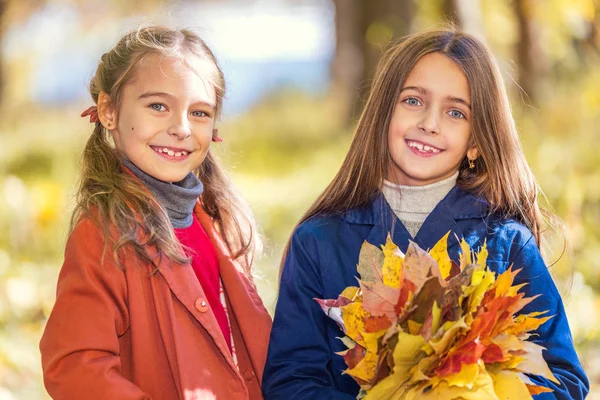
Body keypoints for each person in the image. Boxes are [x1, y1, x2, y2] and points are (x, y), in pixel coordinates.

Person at [262, 27, 589, 400]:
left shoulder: (506, 242)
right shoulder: (319, 242)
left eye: (455, 112)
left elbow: (564, 380)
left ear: (477, 142)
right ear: (384, 111)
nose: (429, 124)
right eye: (413, 101)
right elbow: (289, 383)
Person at [40, 25, 271, 400]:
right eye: (158, 106)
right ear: (109, 110)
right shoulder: (103, 233)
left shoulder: (219, 223)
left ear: (214, 129)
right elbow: (75, 367)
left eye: (199, 112)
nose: (180, 128)